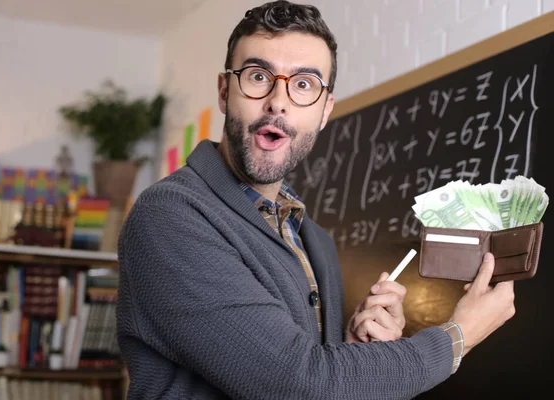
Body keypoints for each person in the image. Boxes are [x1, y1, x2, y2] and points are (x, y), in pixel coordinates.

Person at [116, 1, 516, 399]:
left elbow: (310, 369)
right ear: (224, 92)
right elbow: (297, 383)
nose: (278, 102)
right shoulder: (169, 216)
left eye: (303, 84)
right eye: (258, 76)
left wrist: (351, 348)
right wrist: (457, 337)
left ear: (325, 111)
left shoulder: (314, 241)